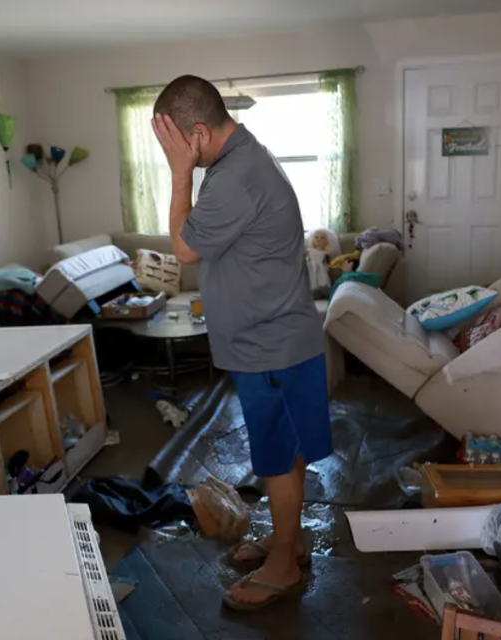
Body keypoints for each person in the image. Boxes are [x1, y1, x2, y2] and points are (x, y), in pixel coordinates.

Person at [151, 75, 332, 612]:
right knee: (288, 450)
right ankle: (289, 542)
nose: (170, 154)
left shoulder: (232, 177)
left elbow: (183, 249)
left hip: (269, 344)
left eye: (174, 143)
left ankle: (283, 567)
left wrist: (179, 174)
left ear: (198, 133)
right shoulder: (243, 158)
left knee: (276, 457)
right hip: (277, 336)